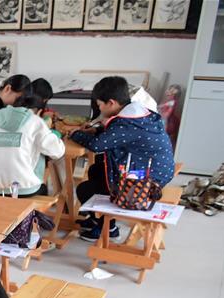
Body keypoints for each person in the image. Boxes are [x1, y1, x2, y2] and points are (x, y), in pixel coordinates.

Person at [70, 76, 175, 241]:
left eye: (99, 105)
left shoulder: (126, 123)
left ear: (111, 103)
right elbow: (120, 137)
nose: (99, 109)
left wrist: (75, 134)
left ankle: (108, 228)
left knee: (85, 189)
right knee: (96, 169)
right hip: (159, 170)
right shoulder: (139, 113)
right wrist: (97, 131)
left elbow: (97, 145)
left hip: (147, 182)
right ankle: (99, 219)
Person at [0, 92, 65, 197]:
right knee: (40, 156)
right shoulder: (35, 121)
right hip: (25, 188)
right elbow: (58, 152)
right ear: (40, 111)